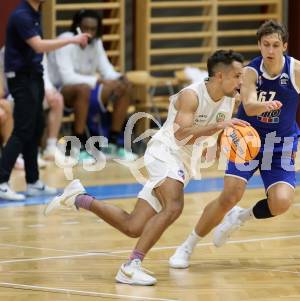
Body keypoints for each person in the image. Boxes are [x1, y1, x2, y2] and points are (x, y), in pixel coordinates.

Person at [168, 20, 300, 269]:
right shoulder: (249, 72)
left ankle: (241, 217)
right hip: (247, 139)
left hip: (281, 143)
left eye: (275, 45)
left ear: (284, 46)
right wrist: (264, 106)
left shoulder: (299, 71)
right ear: (259, 45)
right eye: (265, 44)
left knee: (281, 203)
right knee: (230, 195)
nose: (270, 50)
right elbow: (248, 105)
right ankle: (187, 246)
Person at [44, 50, 247, 285]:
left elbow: (209, 138)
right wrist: (218, 126)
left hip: (184, 163)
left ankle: (79, 197)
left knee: (133, 226)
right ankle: (131, 266)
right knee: (174, 206)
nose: (241, 81)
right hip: (165, 152)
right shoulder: (191, 95)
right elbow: (180, 134)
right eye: (237, 76)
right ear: (220, 76)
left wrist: (220, 147)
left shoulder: (231, 98)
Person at [0, 0, 89, 201]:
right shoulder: (21, 15)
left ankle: (33, 182)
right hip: (21, 78)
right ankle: (1, 181)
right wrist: (72, 40)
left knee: (35, 127)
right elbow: (38, 46)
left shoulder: (34, 13)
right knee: (22, 129)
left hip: (34, 76)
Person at [49, 9, 136, 163]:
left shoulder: (96, 43)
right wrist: (98, 80)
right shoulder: (66, 41)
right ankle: (78, 146)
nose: (88, 32)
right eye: (85, 28)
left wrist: (120, 78)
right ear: (77, 27)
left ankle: (114, 143)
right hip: (59, 91)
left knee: (125, 86)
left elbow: (107, 70)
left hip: (87, 88)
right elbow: (67, 78)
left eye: (92, 29)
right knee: (83, 88)